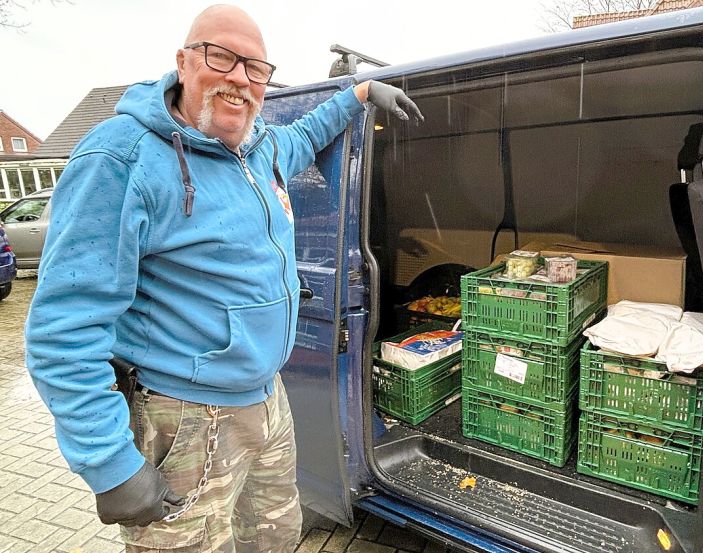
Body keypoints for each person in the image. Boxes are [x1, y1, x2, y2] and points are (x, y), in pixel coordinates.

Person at [24, 4, 423, 551]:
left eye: (256, 68)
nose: (240, 78)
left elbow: (306, 133)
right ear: (184, 62)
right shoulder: (121, 159)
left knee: (276, 540)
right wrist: (109, 463)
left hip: (267, 402)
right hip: (184, 417)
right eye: (222, 57)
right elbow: (61, 331)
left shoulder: (259, 149)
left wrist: (357, 95)